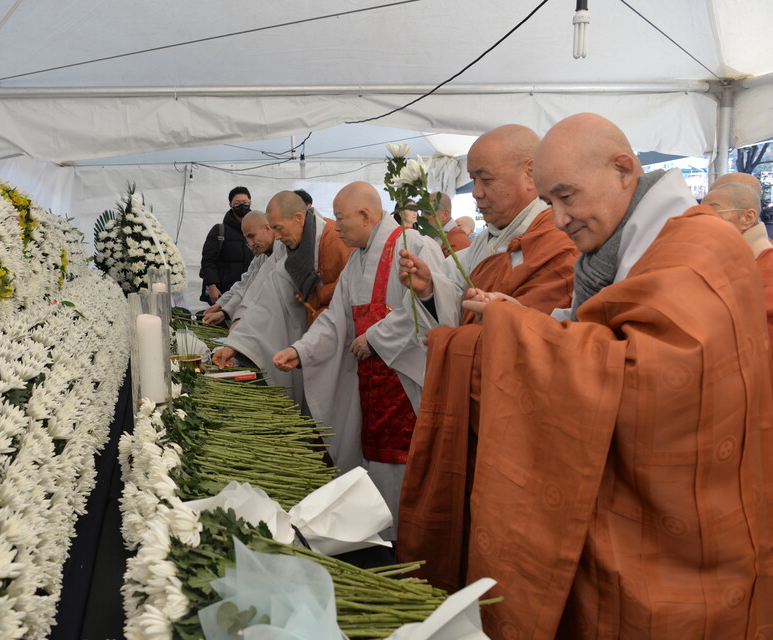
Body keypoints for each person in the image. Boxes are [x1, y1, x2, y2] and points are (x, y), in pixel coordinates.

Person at [462, 113, 773, 638]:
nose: (558, 220)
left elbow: (656, 383)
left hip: (687, 534)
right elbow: (601, 331)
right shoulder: (631, 248)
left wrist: (519, 330)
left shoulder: (698, 250)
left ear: (624, 169)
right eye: (550, 203)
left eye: (567, 197)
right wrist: (525, 319)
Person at [394, 124, 578, 590]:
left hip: (513, 417)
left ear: (530, 173)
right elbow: (463, 305)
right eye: (472, 180)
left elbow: (545, 338)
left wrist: (497, 315)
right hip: (476, 402)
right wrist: (430, 289)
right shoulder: (490, 237)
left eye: (485, 179)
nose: (474, 194)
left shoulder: (555, 238)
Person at [272, 182, 445, 533]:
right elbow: (336, 320)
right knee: (375, 470)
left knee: (409, 473)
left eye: (340, 218)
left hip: (408, 389)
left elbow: (431, 309)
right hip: (370, 389)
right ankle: (382, 538)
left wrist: (376, 337)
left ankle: (408, 542)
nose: (334, 227)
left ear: (366, 216)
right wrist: (301, 350)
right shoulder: (357, 261)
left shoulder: (413, 246)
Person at [211, 191, 352, 406]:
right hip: (310, 343)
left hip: (340, 347)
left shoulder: (335, 240)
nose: (276, 236)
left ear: (298, 218)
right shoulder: (291, 249)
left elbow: (346, 301)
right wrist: (236, 344)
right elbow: (267, 296)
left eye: (278, 228)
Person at [701, 181, 773, 344]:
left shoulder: (765, 271)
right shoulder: (734, 261)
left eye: (713, 212)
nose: (701, 221)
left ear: (748, 218)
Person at [203, 210, 277, 328]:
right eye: (247, 239)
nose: (250, 244)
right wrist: (222, 307)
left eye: (252, 236)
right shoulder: (262, 255)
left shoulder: (282, 251)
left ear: (267, 228)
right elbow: (245, 284)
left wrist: (231, 314)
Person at [199, 186, 254, 303]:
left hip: (251, 291)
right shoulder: (219, 230)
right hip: (225, 292)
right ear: (230, 205)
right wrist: (212, 286)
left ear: (250, 202)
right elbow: (208, 261)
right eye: (237, 203)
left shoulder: (257, 228)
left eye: (245, 202)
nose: (242, 206)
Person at [429, 191, 471, 256]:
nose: (422, 215)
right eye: (421, 211)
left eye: (428, 212)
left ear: (445, 215)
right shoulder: (435, 235)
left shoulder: (458, 241)